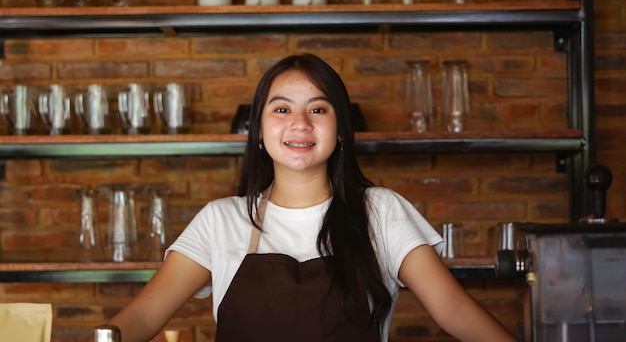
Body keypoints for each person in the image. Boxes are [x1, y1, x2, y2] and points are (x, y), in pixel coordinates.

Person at [107, 53, 516, 342]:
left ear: (339, 131)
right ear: (261, 132)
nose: (300, 123)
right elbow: (144, 315)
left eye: (318, 110)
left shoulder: (380, 211)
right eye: (282, 110)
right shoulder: (221, 220)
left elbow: (455, 312)